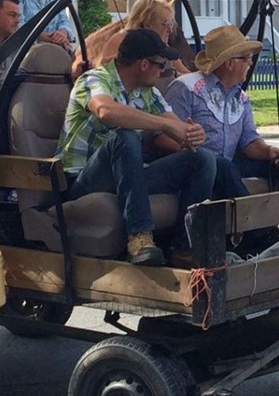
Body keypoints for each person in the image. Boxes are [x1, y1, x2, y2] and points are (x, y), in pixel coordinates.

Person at [58, 28, 215, 267]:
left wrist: (192, 133)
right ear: (144, 64)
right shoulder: (94, 79)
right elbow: (106, 111)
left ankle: (185, 247)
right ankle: (139, 238)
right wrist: (164, 124)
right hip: (86, 181)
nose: (163, 71)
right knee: (125, 137)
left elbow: (176, 125)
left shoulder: (148, 92)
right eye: (161, 65)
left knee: (202, 159)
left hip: (130, 177)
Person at [165, 25, 279, 238]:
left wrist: (270, 152)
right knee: (221, 164)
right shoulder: (185, 88)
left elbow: (248, 140)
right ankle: (258, 233)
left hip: (228, 165)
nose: (251, 63)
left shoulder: (240, 97)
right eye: (247, 58)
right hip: (197, 168)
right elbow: (164, 136)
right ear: (230, 62)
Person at [77, 0, 186, 78]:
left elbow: (184, 73)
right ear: (147, 23)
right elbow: (105, 72)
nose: (170, 30)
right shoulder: (120, 40)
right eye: (166, 24)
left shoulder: (162, 47)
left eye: (171, 25)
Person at [12, 0, 76, 53]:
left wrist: (62, 33)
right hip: (28, 53)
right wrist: (46, 37)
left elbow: (63, 19)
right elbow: (17, 25)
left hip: (56, 51)